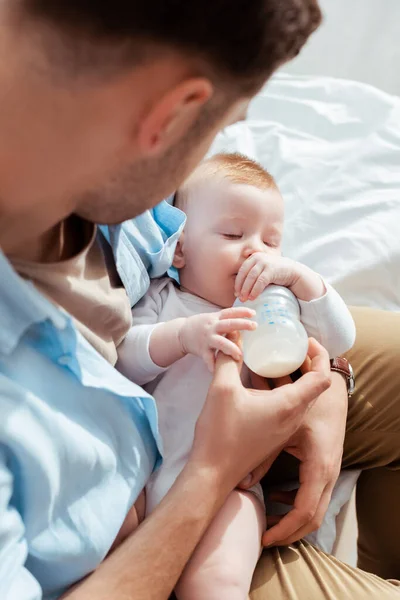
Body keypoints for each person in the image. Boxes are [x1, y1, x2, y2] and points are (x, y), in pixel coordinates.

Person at [0, 1, 398, 599]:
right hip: (166, 528)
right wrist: (213, 473)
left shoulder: (125, 206)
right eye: (217, 127)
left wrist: (328, 388)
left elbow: (324, 330)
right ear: (172, 116)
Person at [117, 153, 356, 600]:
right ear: (180, 249)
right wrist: (182, 336)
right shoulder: (165, 300)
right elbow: (121, 355)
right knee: (112, 539)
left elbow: (340, 337)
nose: (256, 251)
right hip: (142, 475)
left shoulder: (274, 312)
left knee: (219, 582)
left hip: (231, 489)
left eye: (272, 242)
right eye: (232, 233)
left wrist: (300, 279)